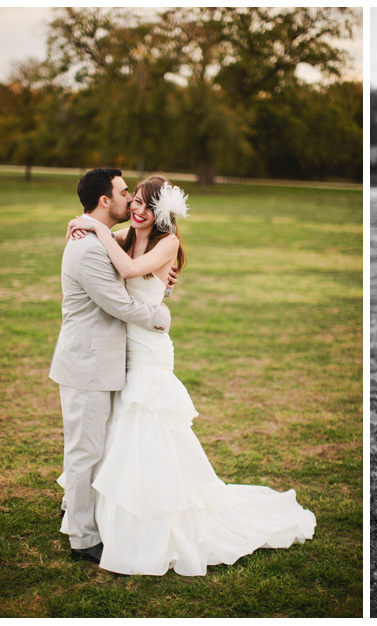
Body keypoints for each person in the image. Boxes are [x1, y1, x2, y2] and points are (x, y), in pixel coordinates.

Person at [64, 175, 316, 576]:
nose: (136, 207)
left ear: (162, 211)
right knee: (118, 434)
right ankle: (108, 519)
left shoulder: (168, 242)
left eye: (146, 203)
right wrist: (95, 231)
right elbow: (112, 265)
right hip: (122, 350)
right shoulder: (126, 234)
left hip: (149, 351)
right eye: (134, 200)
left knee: (147, 430)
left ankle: (155, 521)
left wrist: (96, 227)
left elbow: (128, 271)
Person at [50, 168, 173, 565]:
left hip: (104, 361)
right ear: (106, 201)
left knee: (95, 447)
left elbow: (137, 267)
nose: (130, 201)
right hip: (87, 364)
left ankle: (77, 509)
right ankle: (83, 538)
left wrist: (162, 281)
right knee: (85, 450)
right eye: (125, 193)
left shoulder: (103, 238)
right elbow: (119, 304)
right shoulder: (88, 248)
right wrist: (161, 316)